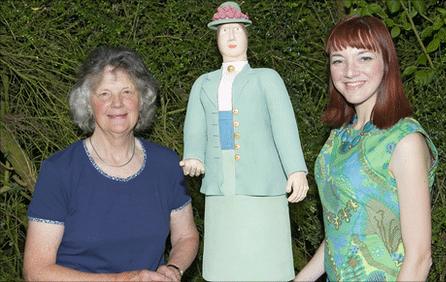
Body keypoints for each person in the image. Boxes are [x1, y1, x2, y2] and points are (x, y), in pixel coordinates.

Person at [23, 47, 199, 281]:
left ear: (142, 99)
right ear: (87, 103)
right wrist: (120, 279)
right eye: (104, 93)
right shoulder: (60, 171)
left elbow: (186, 236)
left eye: (127, 91)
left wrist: (173, 268)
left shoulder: (166, 164)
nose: (117, 103)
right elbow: (36, 271)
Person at [295, 16, 438, 281]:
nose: (349, 71)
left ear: (386, 64)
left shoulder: (404, 141)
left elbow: (420, 257)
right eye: (338, 60)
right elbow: (341, 231)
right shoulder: (337, 138)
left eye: (364, 58)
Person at [179, 1, 309, 281]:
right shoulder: (203, 83)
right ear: (216, 39)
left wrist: (296, 169)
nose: (231, 36)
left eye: (236, 29)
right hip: (219, 181)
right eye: (224, 30)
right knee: (225, 256)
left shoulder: (267, 79)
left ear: (247, 35)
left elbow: (284, 125)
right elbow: (195, 125)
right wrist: (194, 155)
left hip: (263, 180)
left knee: (266, 256)